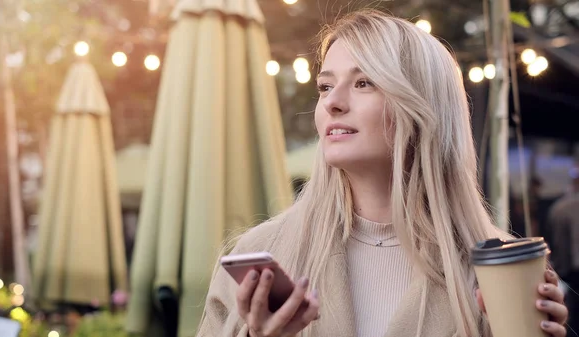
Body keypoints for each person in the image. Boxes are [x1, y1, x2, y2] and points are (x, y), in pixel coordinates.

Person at [196, 9, 568, 337]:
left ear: (422, 107)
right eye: (325, 86)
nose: (332, 103)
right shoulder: (262, 259)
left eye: (364, 83)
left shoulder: (499, 271)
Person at [548, 164, 579, 335]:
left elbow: (557, 245)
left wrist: (559, 271)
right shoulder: (562, 209)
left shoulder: (559, 208)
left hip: (572, 275)